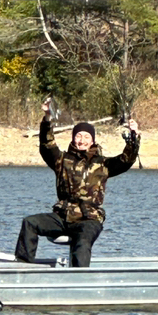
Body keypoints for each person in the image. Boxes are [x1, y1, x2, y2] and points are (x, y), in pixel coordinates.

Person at [15, 101, 141, 267]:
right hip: (62, 217)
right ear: (73, 139)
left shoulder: (103, 164)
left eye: (86, 137)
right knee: (30, 222)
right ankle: (23, 267)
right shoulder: (61, 160)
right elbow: (47, 145)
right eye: (78, 136)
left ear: (92, 141)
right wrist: (47, 119)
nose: (82, 140)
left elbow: (127, 159)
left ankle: (79, 278)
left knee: (82, 240)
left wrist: (134, 136)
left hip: (89, 218)